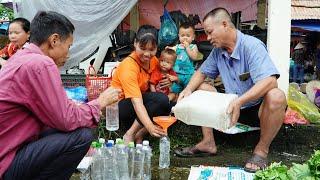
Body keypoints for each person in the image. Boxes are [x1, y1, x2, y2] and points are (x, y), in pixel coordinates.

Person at [0, 11, 121, 179]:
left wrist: (79, 108)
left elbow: (55, 112)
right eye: (68, 46)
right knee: (81, 136)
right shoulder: (41, 64)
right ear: (54, 40)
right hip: (7, 162)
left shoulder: (21, 57)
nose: (68, 53)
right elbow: (65, 119)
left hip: (9, 150)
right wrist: (99, 102)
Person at [174, 8, 286, 173]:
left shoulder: (251, 45)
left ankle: (261, 151)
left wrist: (239, 101)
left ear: (225, 24)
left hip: (257, 110)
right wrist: (188, 90)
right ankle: (208, 143)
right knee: (202, 87)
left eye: (210, 32)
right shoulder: (218, 52)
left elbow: (270, 81)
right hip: (232, 109)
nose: (208, 38)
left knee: (276, 96)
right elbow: (202, 72)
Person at [111, 25, 172, 144]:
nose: (147, 54)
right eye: (143, 48)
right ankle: (130, 134)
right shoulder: (128, 66)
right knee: (161, 100)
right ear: (135, 43)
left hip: (143, 103)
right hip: (122, 107)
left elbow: (160, 77)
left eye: (152, 49)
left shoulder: (153, 61)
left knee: (170, 104)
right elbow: (136, 102)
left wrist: (169, 80)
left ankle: (140, 134)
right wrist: (149, 126)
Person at [168, 22, 201, 97]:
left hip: (189, 75)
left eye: (188, 36)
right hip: (176, 74)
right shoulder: (177, 47)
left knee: (188, 93)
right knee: (174, 90)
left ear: (193, 37)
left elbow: (194, 57)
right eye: (182, 35)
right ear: (179, 37)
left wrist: (187, 47)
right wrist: (168, 48)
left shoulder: (193, 47)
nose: (185, 38)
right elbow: (171, 51)